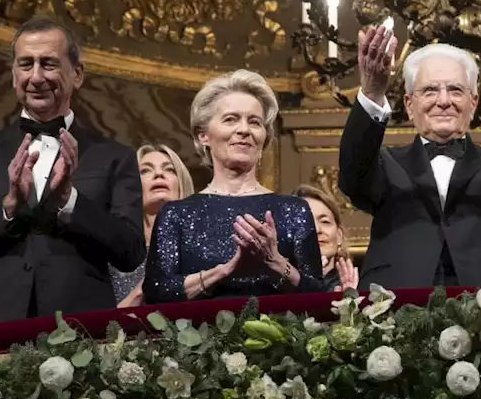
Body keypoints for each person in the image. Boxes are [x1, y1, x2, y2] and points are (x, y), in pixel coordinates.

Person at [0, 16, 145, 326]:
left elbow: (131, 251)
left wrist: (70, 201)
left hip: (81, 333)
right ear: (13, 74)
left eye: (49, 64)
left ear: (77, 74)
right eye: (25, 64)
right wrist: (7, 207)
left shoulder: (114, 157)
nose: (36, 76)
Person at [339, 19, 481, 288]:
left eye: (456, 90)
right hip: (395, 306)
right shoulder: (385, 164)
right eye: (430, 90)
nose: (444, 101)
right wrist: (372, 92)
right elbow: (353, 177)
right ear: (410, 105)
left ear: (473, 104)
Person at [144, 70, 325, 303]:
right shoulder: (175, 214)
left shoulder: (294, 210)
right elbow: (157, 293)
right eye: (231, 119)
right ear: (203, 136)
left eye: (254, 122)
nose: (244, 130)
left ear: (264, 138)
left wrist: (276, 262)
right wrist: (226, 270)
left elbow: (320, 297)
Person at [112, 144, 195, 308]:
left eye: (170, 169)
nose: (159, 174)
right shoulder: (115, 256)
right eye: (145, 171)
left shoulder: (199, 249)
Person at [295, 185, 359, 292]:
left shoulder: (361, 289)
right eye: (305, 221)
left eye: (325, 222)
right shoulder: (275, 289)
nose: (317, 229)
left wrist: (349, 302)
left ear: (339, 236)